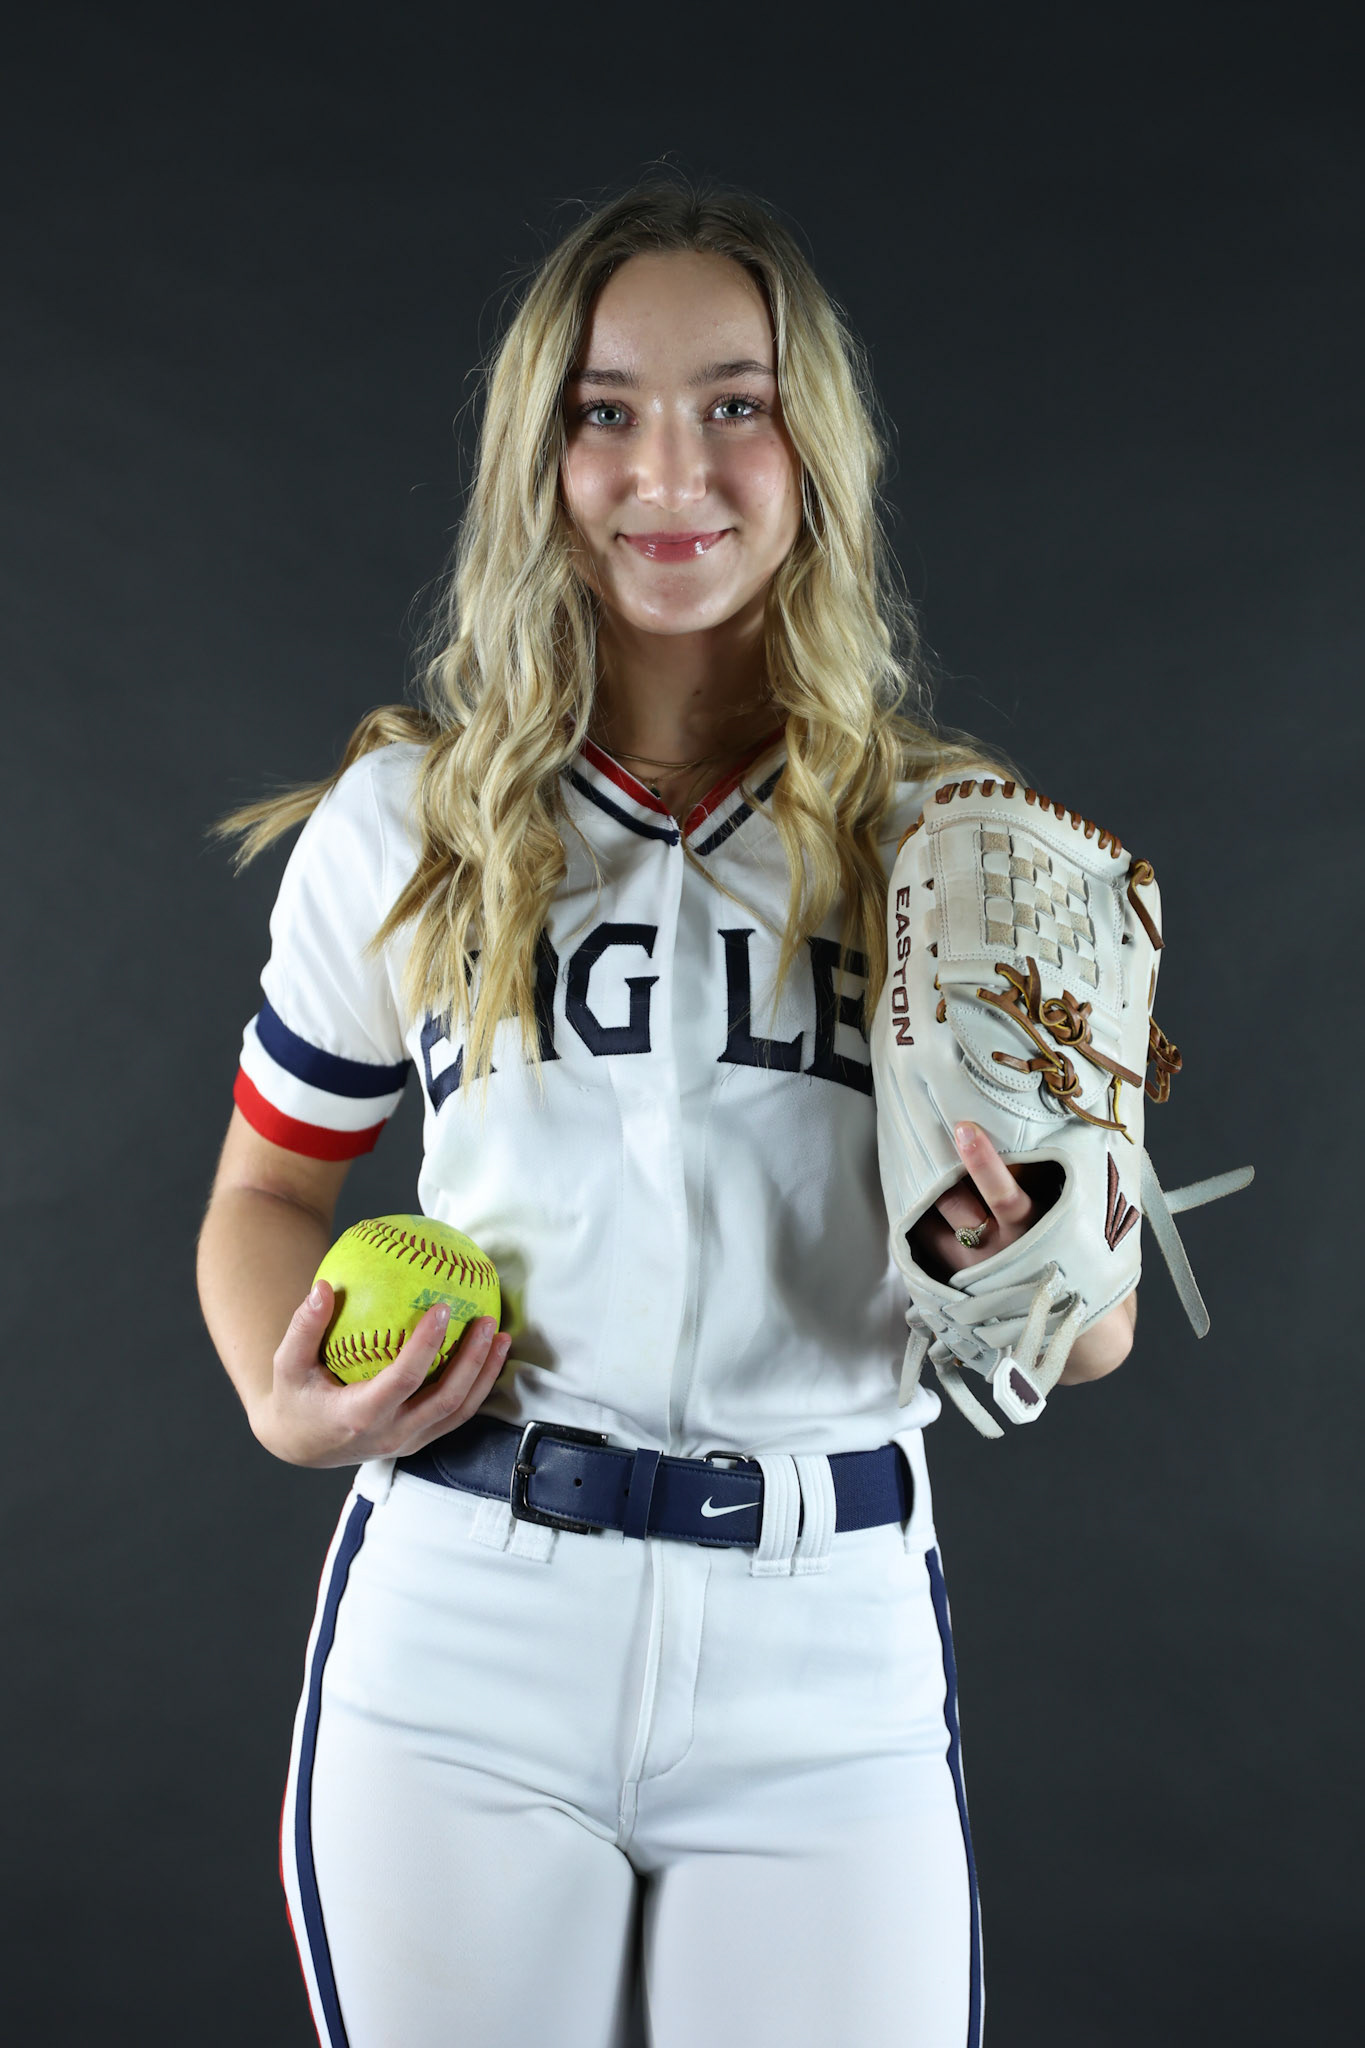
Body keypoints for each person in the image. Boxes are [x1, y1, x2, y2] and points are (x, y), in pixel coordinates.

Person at [197, 177, 1136, 2048]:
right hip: (471, 1611)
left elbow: (1089, 1328)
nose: (668, 467)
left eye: (736, 401)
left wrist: (1012, 1252)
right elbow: (264, 1190)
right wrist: (278, 1396)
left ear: (815, 455)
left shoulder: (957, 857)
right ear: (536, 456)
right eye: (604, 409)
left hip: (827, 1633)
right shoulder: (410, 825)